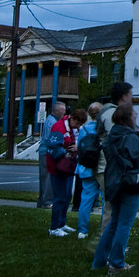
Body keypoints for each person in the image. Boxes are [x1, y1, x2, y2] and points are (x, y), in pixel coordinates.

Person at [91, 102, 139, 273]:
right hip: (129, 183)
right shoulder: (130, 136)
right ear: (128, 117)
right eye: (134, 113)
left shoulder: (112, 135)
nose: (136, 115)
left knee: (113, 223)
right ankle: (117, 263)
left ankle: (99, 261)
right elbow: (136, 161)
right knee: (124, 224)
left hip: (113, 182)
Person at [97, 81, 133, 231]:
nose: (132, 98)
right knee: (111, 207)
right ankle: (105, 245)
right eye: (131, 94)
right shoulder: (113, 114)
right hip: (107, 166)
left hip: (108, 166)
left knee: (112, 206)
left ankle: (107, 244)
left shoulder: (110, 112)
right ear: (124, 96)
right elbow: (116, 141)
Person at [49, 107, 86, 236]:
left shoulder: (71, 129)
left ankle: (62, 223)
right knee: (59, 197)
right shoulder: (59, 127)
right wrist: (66, 153)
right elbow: (53, 147)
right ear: (73, 118)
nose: (78, 126)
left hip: (68, 167)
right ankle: (54, 227)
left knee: (66, 196)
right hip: (57, 167)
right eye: (77, 123)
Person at [75, 102, 103, 239]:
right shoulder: (103, 129)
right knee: (106, 200)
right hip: (101, 168)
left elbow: (80, 148)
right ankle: (105, 228)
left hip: (86, 167)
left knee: (86, 200)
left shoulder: (83, 130)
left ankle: (82, 230)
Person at [38, 102, 67, 209]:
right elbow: (52, 138)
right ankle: (47, 202)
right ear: (56, 110)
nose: (64, 112)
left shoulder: (51, 120)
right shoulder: (52, 122)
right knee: (48, 178)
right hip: (47, 152)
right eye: (62, 110)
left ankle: (42, 201)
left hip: (44, 151)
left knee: (44, 178)